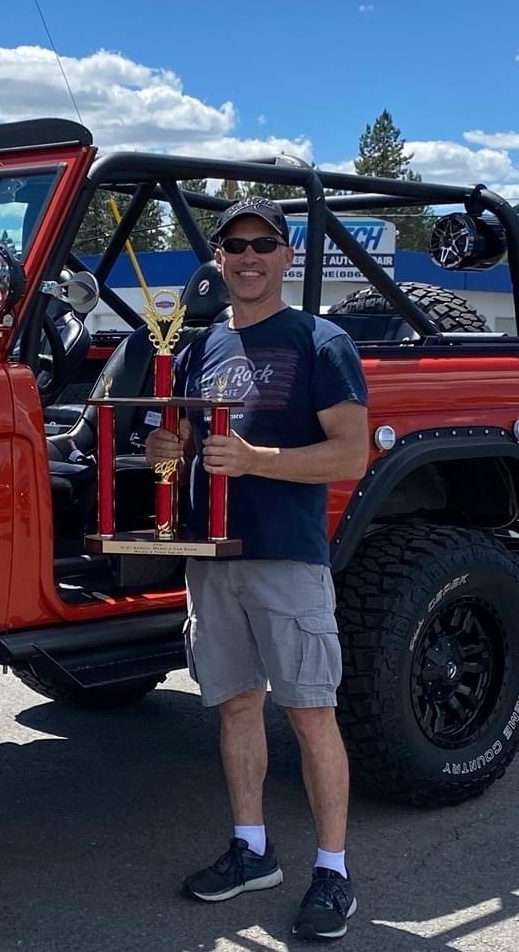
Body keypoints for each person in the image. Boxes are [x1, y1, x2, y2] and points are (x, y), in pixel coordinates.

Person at [146, 197, 372, 941]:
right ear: (219, 258)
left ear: (286, 256)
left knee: (310, 714)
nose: (248, 257)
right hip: (213, 561)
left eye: (263, 244)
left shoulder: (321, 342)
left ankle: (333, 872)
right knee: (237, 706)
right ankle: (252, 850)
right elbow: (178, 438)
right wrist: (163, 451)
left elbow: (350, 454)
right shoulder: (198, 347)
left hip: (286, 558)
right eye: (235, 245)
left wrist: (255, 460)